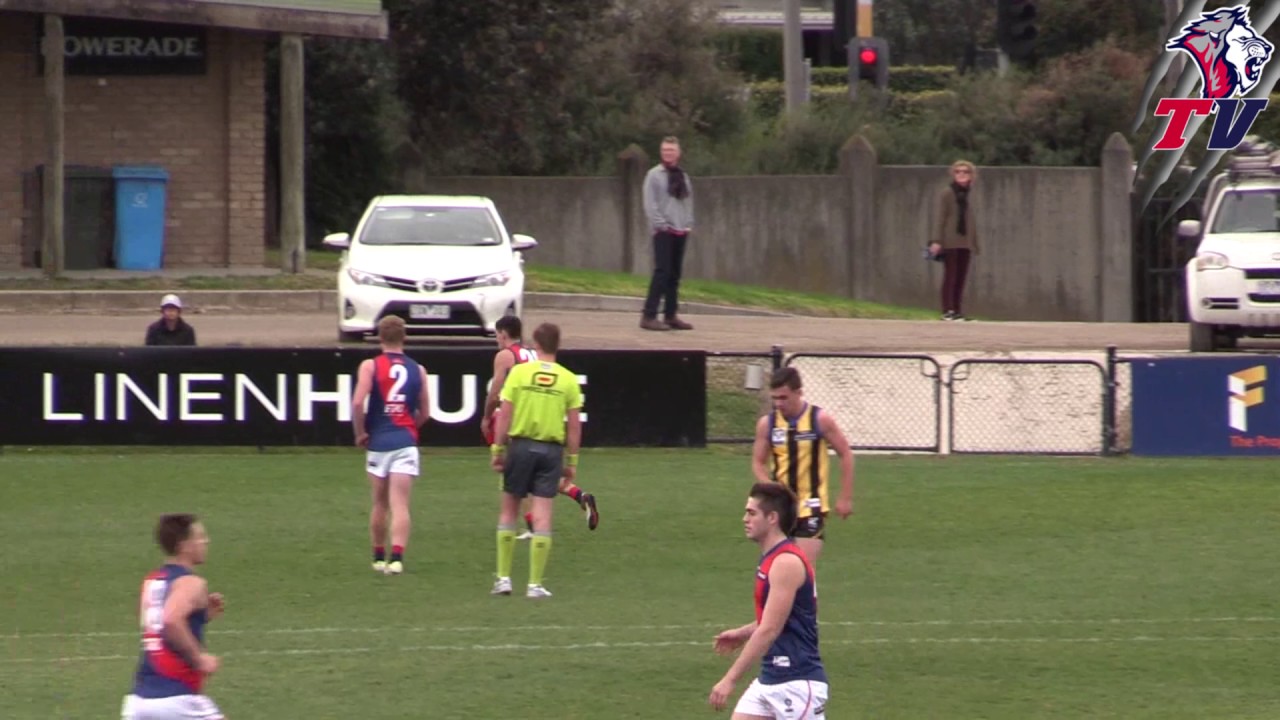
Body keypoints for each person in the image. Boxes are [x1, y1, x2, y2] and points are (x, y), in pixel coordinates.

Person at [708, 483, 828, 718]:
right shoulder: (773, 559)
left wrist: (729, 680)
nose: (745, 519)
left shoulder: (786, 562)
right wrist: (742, 633)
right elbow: (781, 617)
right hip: (771, 678)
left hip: (796, 682)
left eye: (752, 513)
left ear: (772, 518)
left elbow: (770, 628)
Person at [482, 315, 599, 537]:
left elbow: (496, 391)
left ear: (504, 334)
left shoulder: (505, 356)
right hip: (539, 415)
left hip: (518, 418)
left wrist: (487, 417)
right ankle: (577, 496)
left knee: (515, 474)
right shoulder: (531, 354)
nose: (496, 339)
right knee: (539, 473)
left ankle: (532, 526)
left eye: (497, 334)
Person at [489, 322, 582, 599]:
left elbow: (504, 414)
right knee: (543, 516)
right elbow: (575, 426)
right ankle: (535, 584)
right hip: (551, 451)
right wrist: (572, 461)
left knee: (508, 511)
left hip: (520, 446)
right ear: (558, 345)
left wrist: (497, 449)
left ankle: (504, 579)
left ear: (536, 344)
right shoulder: (568, 379)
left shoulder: (519, 372)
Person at [121, 513, 227, 720]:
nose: (206, 541)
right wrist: (199, 660)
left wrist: (201, 617)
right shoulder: (192, 583)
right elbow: (170, 620)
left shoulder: (153, 581)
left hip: (139, 701)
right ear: (184, 545)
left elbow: (157, 625)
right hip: (176, 699)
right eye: (199, 536)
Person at [351, 316, 430, 575]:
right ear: (404, 337)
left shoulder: (370, 366)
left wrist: (361, 433)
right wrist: (409, 428)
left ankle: (377, 556)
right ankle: (396, 559)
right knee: (400, 504)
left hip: (378, 443)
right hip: (405, 442)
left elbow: (357, 402)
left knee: (379, 503)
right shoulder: (418, 370)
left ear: (380, 337)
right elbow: (425, 412)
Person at [751, 367, 854, 566]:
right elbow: (758, 462)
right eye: (775, 398)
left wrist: (845, 497)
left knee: (802, 570)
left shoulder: (819, 419)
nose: (779, 403)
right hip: (780, 508)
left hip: (811, 506)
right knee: (776, 571)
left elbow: (846, 453)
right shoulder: (768, 424)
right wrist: (769, 487)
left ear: (799, 393)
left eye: (784, 397)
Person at [640, 135, 695, 332]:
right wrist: (660, 225)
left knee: (674, 274)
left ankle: (671, 315)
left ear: (678, 153)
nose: (668, 154)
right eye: (664, 150)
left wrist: (688, 223)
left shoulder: (683, 176)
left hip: (681, 230)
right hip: (663, 230)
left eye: (671, 150)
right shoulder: (653, 175)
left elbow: (687, 201)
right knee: (661, 272)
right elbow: (650, 204)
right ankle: (648, 315)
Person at [929, 159, 980, 321]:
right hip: (950, 241)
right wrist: (937, 240)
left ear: (971, 175)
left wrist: (975, 242)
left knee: (961, 277)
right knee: (950, 276)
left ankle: (957, 310)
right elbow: (941, 218)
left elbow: (970, 220)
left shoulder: (968, 195)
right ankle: (947, 310)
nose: (961, 174)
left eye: (965, 172)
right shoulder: (948, 193)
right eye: (958, 172)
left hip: (965, 242)